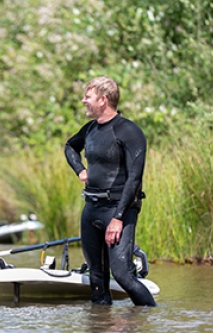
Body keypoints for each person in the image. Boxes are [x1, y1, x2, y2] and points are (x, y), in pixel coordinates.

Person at [64, 76, 156, 306]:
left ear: (103, 100)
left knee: (123, 275)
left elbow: (134, 179)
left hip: (118, 210)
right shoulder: (90, 130)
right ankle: (101, 325)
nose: (83, 100)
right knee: (96, 279)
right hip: (91, 208)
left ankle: (149, 319)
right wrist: (80, 170)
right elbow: (69, 147)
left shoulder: (129, 131)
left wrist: (117, 218)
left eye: (88, 96)